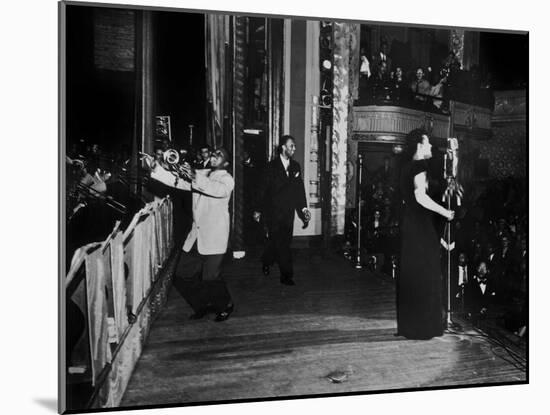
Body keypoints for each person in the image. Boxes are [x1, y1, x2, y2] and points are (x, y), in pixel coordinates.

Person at [143, 147, 235, 322]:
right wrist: (157, 169)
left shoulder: (227, 179)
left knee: (210, 277)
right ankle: (202, 304)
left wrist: (194, 176)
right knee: (180, 274)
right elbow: (177, 182)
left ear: (227, 163)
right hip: (196, 236)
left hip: (215, 237)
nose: (214, 155)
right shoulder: (203, 173)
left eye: (219, 155)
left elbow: (216, 190)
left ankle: (225, 304)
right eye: (213, 153)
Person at [397, 128, 454, 340]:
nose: (431, 147)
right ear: (420, 146)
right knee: (427, 276)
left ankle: (412, 326)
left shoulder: (406, 167)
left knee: (415, 276)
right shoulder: (419, 166)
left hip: (412, 225)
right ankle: (424, 328)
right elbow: (420, 197)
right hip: (420, 226)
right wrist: (445, 211)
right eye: (428, 143)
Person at [253, 135, 311, 286]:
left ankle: (266, 260)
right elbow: (262, 190)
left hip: (288, 214)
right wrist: (258, 209)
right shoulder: (270, 167)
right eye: (291, 146)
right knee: (283, 245)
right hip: (273, 213)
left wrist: (304, 209)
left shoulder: (296, 167)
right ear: (283, 147)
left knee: (279, 242)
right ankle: (287, 275)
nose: (294, 148)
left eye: (294, 146)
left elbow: (299, 191)